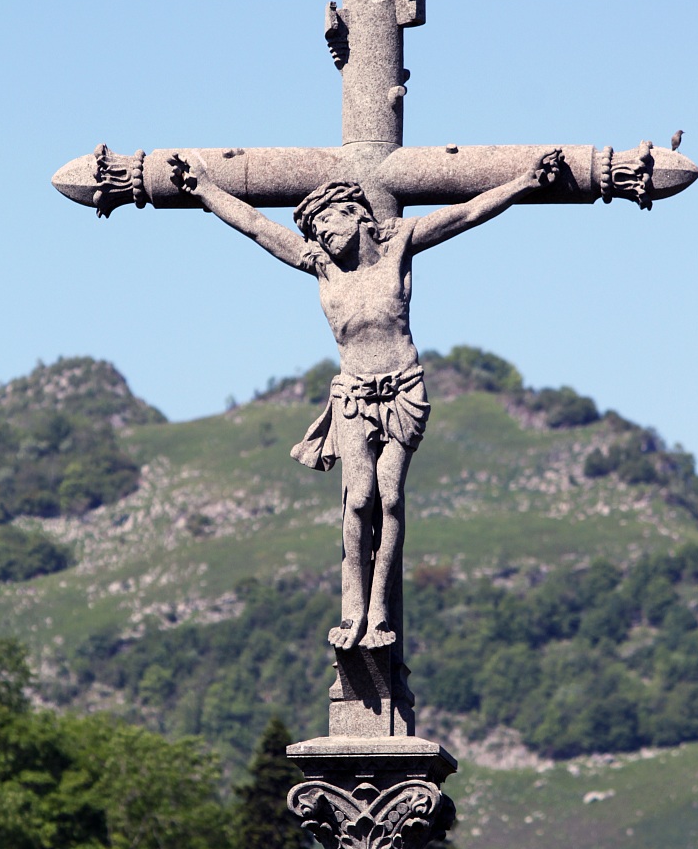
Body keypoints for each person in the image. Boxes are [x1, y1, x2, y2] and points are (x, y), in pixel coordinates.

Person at [188, 149, 563, 649]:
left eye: (327, 223)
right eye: (315, 231)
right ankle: (351, 610)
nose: (322, 236)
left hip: (403, 389)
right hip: (353, 395)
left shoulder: (399, 245)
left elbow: (465, 213)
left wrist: (526, 182)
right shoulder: (322, 267)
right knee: (357, 500)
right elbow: (258, 227)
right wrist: (206, 190)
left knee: (389, 501)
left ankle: (380, 611)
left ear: (354, 212)